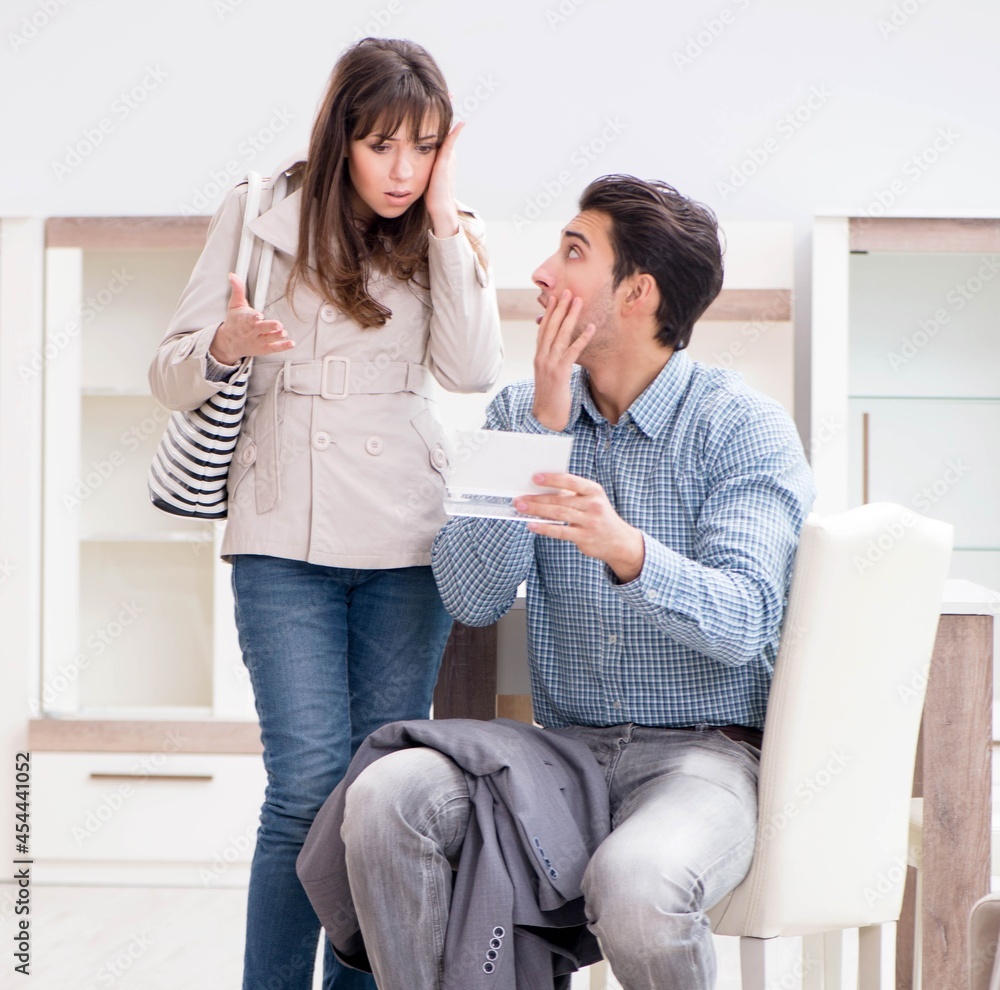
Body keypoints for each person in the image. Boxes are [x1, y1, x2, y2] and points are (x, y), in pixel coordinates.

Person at [322, 174, 816, 989]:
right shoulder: (520, 414)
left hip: (705, 759)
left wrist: (627, 550)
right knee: (387, 796)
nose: (542, 273)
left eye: (573, 252)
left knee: (637, 886)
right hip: (566, 755)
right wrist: (539, 436)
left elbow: (744, 620)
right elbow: (472, 598)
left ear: (637, 294)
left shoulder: (741, 427)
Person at [148, 37, 502, 990]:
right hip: (282, 533)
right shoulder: (259, 211)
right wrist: (226, 342)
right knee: (307, 788)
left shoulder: (447, 231)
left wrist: (445, 217)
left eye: (423, 148)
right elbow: (168, 372)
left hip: (405, 538)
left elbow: (472, 369)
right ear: (341, 137)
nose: (402, 170)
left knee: (377, 798)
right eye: (383, 145)